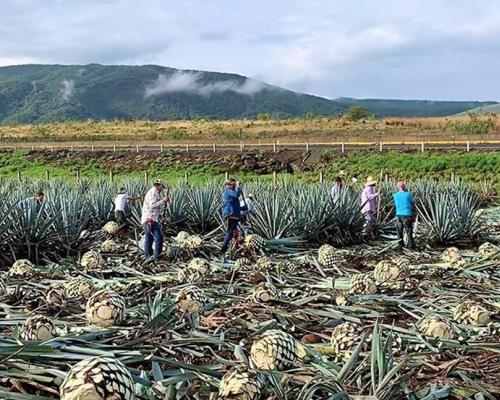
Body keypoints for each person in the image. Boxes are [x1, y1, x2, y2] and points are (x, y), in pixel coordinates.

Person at [141, 179, 170, 261]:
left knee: (149, 239)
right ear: (158, 185)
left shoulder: (155, 192)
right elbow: (152, 205)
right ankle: (157, 257)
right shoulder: (153, 192)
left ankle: (149, 256)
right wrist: (163, 201)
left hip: (150, 218)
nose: (162, 189)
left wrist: (160, 215)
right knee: (159, 238)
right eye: (162, 187)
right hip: (150, 219)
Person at [221, 178, 243, 253]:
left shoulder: (231, 192)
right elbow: (236, 195)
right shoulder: (228, 191)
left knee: (234, 233)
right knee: (230, 234)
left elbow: (233, 205)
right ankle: (223, 250)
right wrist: (238, 187)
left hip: (234, 215)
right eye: (233, 184)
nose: (234, 186)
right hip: (230, 215)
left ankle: (234, 249)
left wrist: (242, 208)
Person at [393, 181, 415, 250]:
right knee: (408, 230)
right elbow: (413, 201)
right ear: (404, 187)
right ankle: (411, 245)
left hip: (398, 214)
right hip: (407, 214)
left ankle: (400, 245)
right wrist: (413, 195)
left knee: (399, 230)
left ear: (398, 187)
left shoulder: (395, 195)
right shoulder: (408, 194)